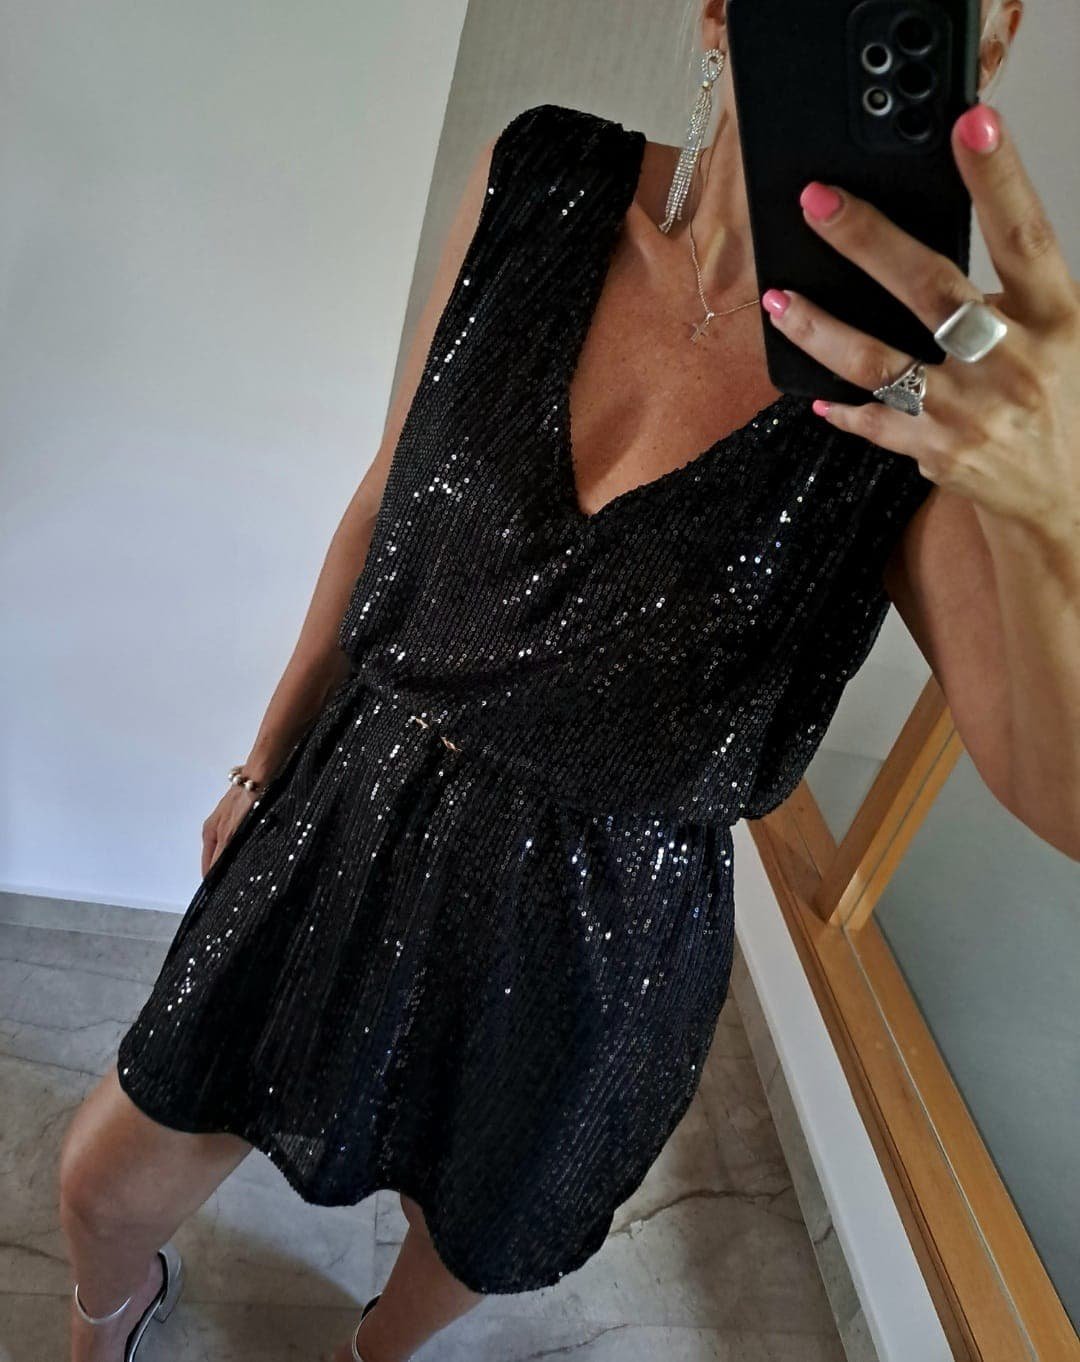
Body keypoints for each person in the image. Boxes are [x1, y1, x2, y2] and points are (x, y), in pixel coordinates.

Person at [57, 1, 1079, 1360]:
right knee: (102, 1182)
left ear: (986, 45)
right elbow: (381, 503)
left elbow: (1055, 790)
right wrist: (265, 760)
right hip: (355, 811)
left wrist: (1059, 521)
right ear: (718, 13)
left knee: (468, 1232)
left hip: (598, 933)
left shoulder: (923, 403)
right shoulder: (537, 175)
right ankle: (113, 1308)